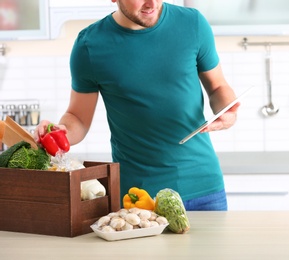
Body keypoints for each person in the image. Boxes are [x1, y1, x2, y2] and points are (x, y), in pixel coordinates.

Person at [34, 0, 239, 211]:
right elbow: (77, 116)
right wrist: (61, 134)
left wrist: (227, 109)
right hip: (139, 197)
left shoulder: (192, 23)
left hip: (204, 189)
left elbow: (218, 88)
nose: (151, 3)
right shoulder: (90, 44)